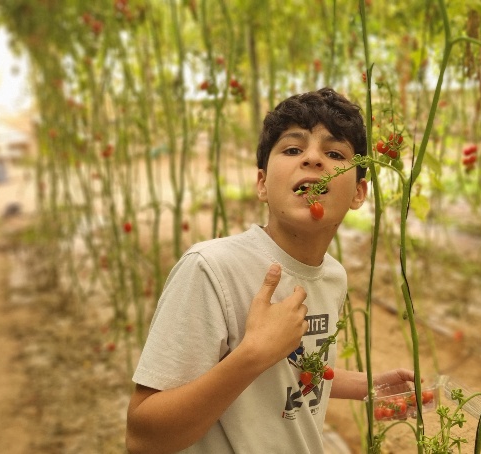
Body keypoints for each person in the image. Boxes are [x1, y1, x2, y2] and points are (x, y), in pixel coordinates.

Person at [125, 87, 413, 453]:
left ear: (359, 193)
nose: (312, 159)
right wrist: (253, 353)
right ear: (262, 184)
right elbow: (143, 437)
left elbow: (289, 373)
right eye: (293, 149)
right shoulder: (211, 269)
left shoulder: (333, 276)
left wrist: (368, 386)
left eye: (335, 153)